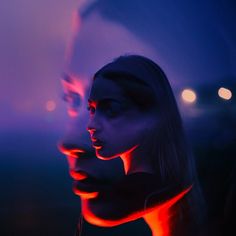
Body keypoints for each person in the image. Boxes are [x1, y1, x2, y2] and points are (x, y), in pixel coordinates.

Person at [85, 54, 205, 236]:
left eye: (111, 109)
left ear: (151, 114)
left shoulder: (158, 182)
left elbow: (101, 210)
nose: (91, 126)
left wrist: (77, 155)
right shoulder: (168, 173)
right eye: (92, 110)